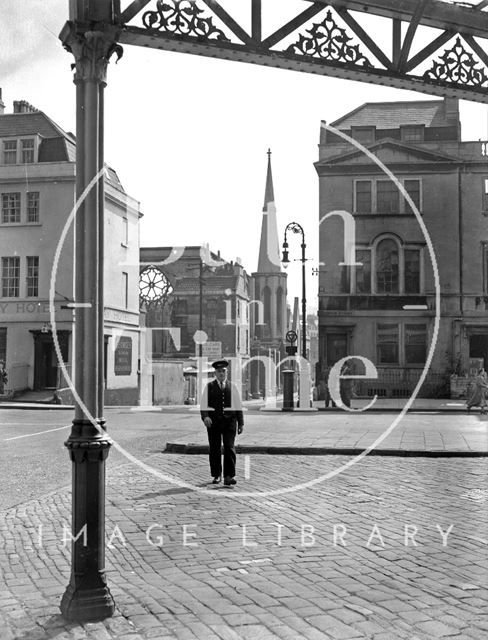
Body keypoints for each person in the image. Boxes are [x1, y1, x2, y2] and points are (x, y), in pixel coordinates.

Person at [201, 359, 244, 486]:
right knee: (215, 449)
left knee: (230, 448)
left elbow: (238, 406)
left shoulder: (233, 387)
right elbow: (204, 405)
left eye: (223, 371)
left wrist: (241, 423)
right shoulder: (210, 387)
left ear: (227, 372)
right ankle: (216, 475)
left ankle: (228, 476)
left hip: (230, 423)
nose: (221, 373)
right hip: (213, 423)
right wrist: (205, 417)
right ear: (215, 373)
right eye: (219, 371)